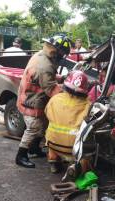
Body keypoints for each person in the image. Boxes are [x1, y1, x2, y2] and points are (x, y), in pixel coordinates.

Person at [15, 35, 72, 168]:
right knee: (34, 128)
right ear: (55, 50)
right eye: (62, 53)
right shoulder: (45, 65)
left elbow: (46, 76)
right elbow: (51, 88)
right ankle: (21, 156)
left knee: (43, 125)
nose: (62, 56)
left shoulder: (43, 56)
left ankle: (34, 149)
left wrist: (62, 78)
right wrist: (70, 93)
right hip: (32, 101)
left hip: (33, 97)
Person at [45, 70, 92, 173]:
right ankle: (79, 168)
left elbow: (47, 113)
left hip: (53, 144)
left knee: (52, 133)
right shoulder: (88, 105)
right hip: (73, 149)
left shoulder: (55, 99)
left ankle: (53, 162)